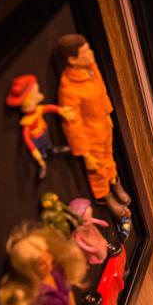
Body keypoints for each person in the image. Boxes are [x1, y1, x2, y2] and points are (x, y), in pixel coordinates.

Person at [56, 34, 131, 218]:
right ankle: (105, 196)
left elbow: (102, 90)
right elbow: (72, 124)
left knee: (108, 157)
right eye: (85, 52)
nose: (91, 53)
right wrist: (84, 153)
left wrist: (107, 112)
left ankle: (114, 181)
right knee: (97, 168)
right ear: (72, 60)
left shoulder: (91, 68)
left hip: (103, 125)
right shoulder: (68, 89)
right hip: (90, 136)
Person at [5, 74, 75, 179]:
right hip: (37, 139)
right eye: (36, 94)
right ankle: (42, 164)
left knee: (48, 145)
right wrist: (34, 151)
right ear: (29, 101)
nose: (40, 95)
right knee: (42, 154)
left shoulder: (38, 110)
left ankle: (52, 150)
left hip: (44, 133)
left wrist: (61, 110)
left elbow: (48, 108)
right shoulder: (27, 122)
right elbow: (27, 138)